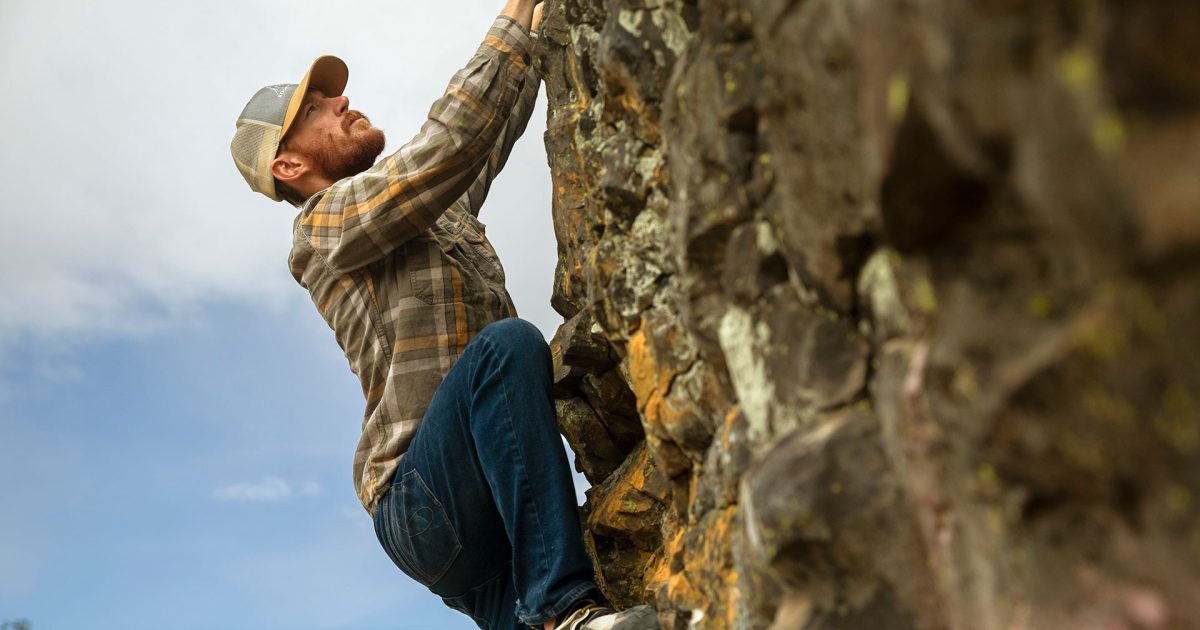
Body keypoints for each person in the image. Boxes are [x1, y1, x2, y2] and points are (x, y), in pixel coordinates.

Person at [229, 1, 660, 629]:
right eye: (317, 110)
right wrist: (514, 12)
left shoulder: (428, 214)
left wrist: (539, 31)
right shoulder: (322, 228)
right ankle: (562, 608)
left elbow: (483, 133)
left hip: (479, 503)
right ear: (289, 166)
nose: (341, 102)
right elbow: (446, 145)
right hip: (422, 502)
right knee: (506, 347)